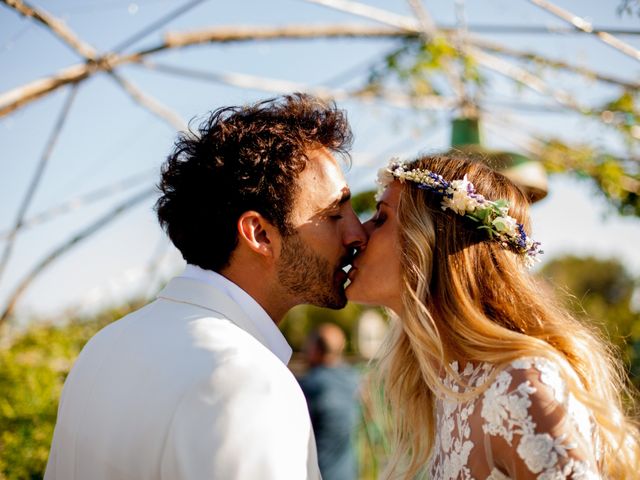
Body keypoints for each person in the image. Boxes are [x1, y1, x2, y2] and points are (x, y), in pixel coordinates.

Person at [44, 93, 367, 480]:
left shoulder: (103, 346)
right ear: (260, 234)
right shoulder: (247, 380)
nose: (358, 233)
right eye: (334, 214)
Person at [346, 153, 640, 479]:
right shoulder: (449, 385)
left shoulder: (518, 385)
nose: (359, 233)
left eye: (381, 217)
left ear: (432, 241)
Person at [299, 323, 360, 480]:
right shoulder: (351, 378)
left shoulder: (311, 385)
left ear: (315, 349)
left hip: (319, 473)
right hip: (347, 473)